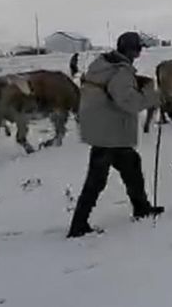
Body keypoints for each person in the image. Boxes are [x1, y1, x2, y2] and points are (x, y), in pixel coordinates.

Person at [67, 32, 163, 238]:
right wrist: (152, 96)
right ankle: (78, 225)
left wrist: (136, 81)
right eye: (138, 49)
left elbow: (109, 87)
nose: (139, 53)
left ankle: (142, 208)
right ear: (130, 50)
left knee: (132, 166)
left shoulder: (103, 63)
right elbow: (129, 102)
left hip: (104, 126)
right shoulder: (121, 72)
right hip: (108, 130)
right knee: (96, 179)